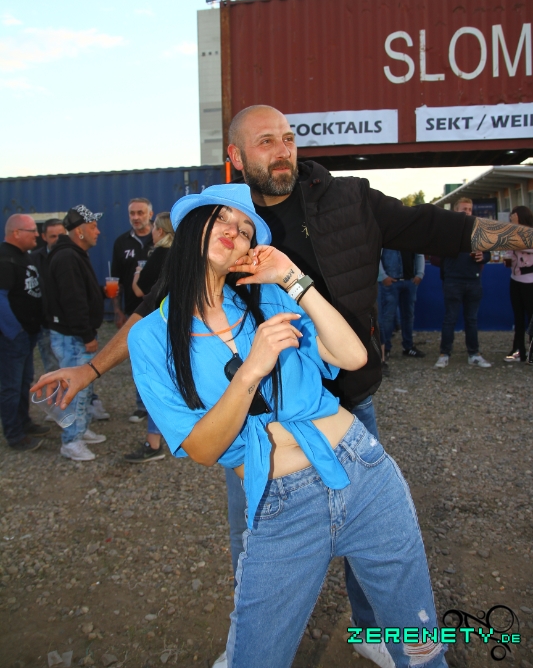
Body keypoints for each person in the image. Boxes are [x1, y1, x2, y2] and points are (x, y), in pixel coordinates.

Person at [31, 106, 533, 668]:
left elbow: (444, 230)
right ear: (237, 157)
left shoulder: (346, 201)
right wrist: (90, 369)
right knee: (254, 560)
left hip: (350, 425)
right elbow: (158, 315)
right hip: (262, 451)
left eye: (289, 139)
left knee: (397, 602)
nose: (282, 150)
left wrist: (524, 236)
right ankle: (252, 634)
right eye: (266, 141)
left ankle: (378, 637)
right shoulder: (217, 248)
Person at [127, 183, 449, 668]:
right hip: (281, 506)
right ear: (192, 227)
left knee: (420, 649)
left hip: (363, 474)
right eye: (223, 219)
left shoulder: (268, 298)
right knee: (256, 658)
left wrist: (292, 277)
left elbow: (353, 356)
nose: (235, 231)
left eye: (245, 229)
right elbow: (202, 449)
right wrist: (250, 371)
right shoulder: (152, 336)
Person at [47, 205, 106, 461]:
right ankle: (71, 441)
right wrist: (86, 335)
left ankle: (80, 429)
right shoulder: (67, 257)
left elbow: (80, 293)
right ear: (80, 231)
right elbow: (72, 301)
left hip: (75, 335)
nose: (98, 231)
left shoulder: (74, 255)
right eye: (93, 227)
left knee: (83, 388)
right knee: (74, 389)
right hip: (72, 337)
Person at [124, 212, 173, 463]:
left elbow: (139, 290)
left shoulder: (159, 254)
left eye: (154, 228)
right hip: (174, 323)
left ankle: (154, 443)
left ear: (160, 231)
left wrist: (137, 273)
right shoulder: (182, 255)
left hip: (155, 324)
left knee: (155, 381)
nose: (152, 232)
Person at [0, 214, 49, 451]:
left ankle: (24, 422)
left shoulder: (24, 256)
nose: (37, 235)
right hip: (13, 337)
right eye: (32, 231)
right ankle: (15, 434)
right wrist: (15, 331)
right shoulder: (5, 258)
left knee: (23, 382)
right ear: (16, 233)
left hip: (29, 334)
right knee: (10, 387)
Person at [433, 198, 491, 368]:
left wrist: (482, 256)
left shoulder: (478, 231)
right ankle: (444, 354)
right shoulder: (447, 231)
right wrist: (450, 261)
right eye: (464, 209)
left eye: (470, 209)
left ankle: (474, 354)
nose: (467, 212)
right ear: (455, 211)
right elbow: (434, 256)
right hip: (453, 281)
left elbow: (488, 254)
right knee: (450, 319)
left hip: (473, 281)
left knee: (472, 320)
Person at [111, 197, 154, 422]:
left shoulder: (162, 239)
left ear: (150, 214)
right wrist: (117, 310)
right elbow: (116, 282)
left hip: (159, 311)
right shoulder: (121, 243)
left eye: (140, 213)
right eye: (132, 213)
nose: (136, 217)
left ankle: (163, 407)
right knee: (138, 359)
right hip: (132, 312)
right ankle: (141, 406)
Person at [31, 218, 66, 374]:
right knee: (52, 368)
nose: (57, 240)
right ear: (44, 237)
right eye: (53, 236)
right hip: (46, 324)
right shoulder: (34, 259)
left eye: (61, 235)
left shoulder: (71, 256)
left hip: (68, 325)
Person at [378, 249, 425, 359]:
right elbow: (377, 256)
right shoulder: (386, 238)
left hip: (410, 281)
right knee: (388, 317)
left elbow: (419, 253)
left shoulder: (412, 238)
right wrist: (383, 276)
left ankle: (408, 346)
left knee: (408, 316)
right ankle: (385, 349)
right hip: (391, 282)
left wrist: (420, 274)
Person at [503, 205, 533, 362]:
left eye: (514, 218)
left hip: (530, 281)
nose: (512, 221)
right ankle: (519, 350)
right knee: (518, 317)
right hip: (515, 280)